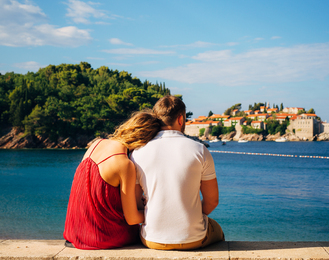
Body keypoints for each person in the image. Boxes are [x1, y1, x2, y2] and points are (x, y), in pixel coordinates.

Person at [131, 95, 224, 250]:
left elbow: (136, 201)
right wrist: (188, 214)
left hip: (153, 239)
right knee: (217, 231)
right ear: (181, 119)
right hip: (194, 238)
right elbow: (212, 201)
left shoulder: (138, 152)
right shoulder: (200, 150)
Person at [63, 110, 161, 250]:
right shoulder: (124, 164)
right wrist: (158, 212)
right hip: (103, 237)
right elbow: (132, 219)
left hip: (75, 233)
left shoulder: (96, 144)